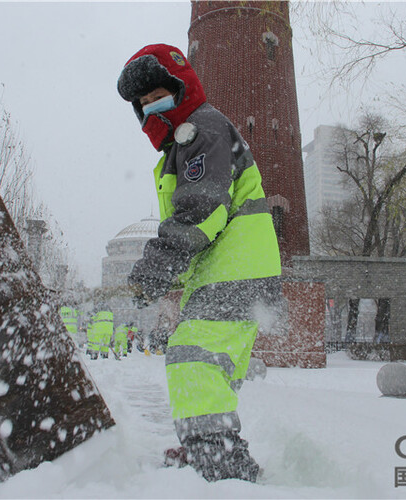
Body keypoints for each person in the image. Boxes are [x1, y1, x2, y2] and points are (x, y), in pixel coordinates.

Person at [117, 44, 281, 482]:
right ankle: (210, 445)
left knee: (192, 360)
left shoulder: (201, 130)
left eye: (158, 95)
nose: (152, 106)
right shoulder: (182, 142)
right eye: (144, 102)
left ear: (181, 86)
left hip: (236, 271)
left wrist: (155, 269)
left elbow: (201, 209)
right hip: (230, 271)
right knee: (210, 367)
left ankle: (221, 461)